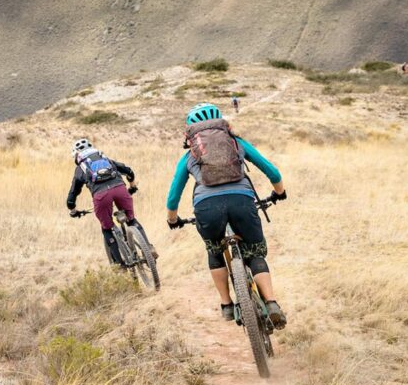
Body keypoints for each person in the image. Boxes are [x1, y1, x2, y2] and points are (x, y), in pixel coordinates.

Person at [166, 104, 288, 327]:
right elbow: (272, 171)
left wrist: (172, 219)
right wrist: (279, 193)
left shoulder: (190, 155)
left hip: (206, 207)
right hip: (241, 201)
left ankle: (227, 305)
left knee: (214, 250)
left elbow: (174, 194)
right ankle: (271, 303)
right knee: (255, 252)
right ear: (222, 124)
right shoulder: (236, 143)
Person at [67, 138, 155, 268]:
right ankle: (148, 248)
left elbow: (72, 195)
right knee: (131, 220)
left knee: (107, 228)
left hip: (101, 197)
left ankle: (119, 265)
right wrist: (131, 186)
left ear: (76, 155)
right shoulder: (105, 159)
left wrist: (73, 210)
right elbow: (128, 171)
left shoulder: (80, 169)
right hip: (120, 189)